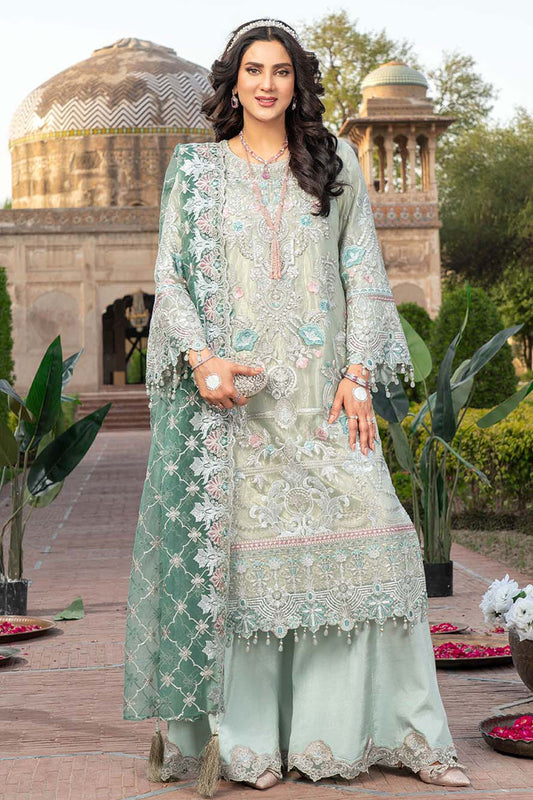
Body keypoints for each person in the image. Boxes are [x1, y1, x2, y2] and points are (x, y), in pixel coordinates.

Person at [123, 18, 470, 796]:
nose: (268, 84)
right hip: (236, 412)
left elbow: (365, 271)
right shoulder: (196, 170)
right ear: (233, 81)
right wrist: (202, 362)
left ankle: (401, 734)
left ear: (298, 81)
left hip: (323, 402)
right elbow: (170, 276)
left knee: (379, 547)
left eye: (281, 70)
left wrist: (356, 375)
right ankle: (248, 746)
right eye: (254, 70)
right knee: (247, 582)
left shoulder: (332, 161)